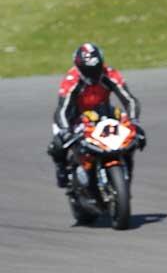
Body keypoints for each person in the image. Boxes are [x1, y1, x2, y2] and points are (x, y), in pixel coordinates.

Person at [47, 43, 146, 187]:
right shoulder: (71, 80)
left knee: (130, 139)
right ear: (79, 68)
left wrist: (134, 121)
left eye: (96, 69)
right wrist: (65, 131)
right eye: (88, 71)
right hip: (75, 117)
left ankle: (123, 172)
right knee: (58, 143)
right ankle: (62, 169)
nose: (93, 75)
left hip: (103, 114)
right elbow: (62, 110)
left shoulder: (109, 74)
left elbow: (129, 100)